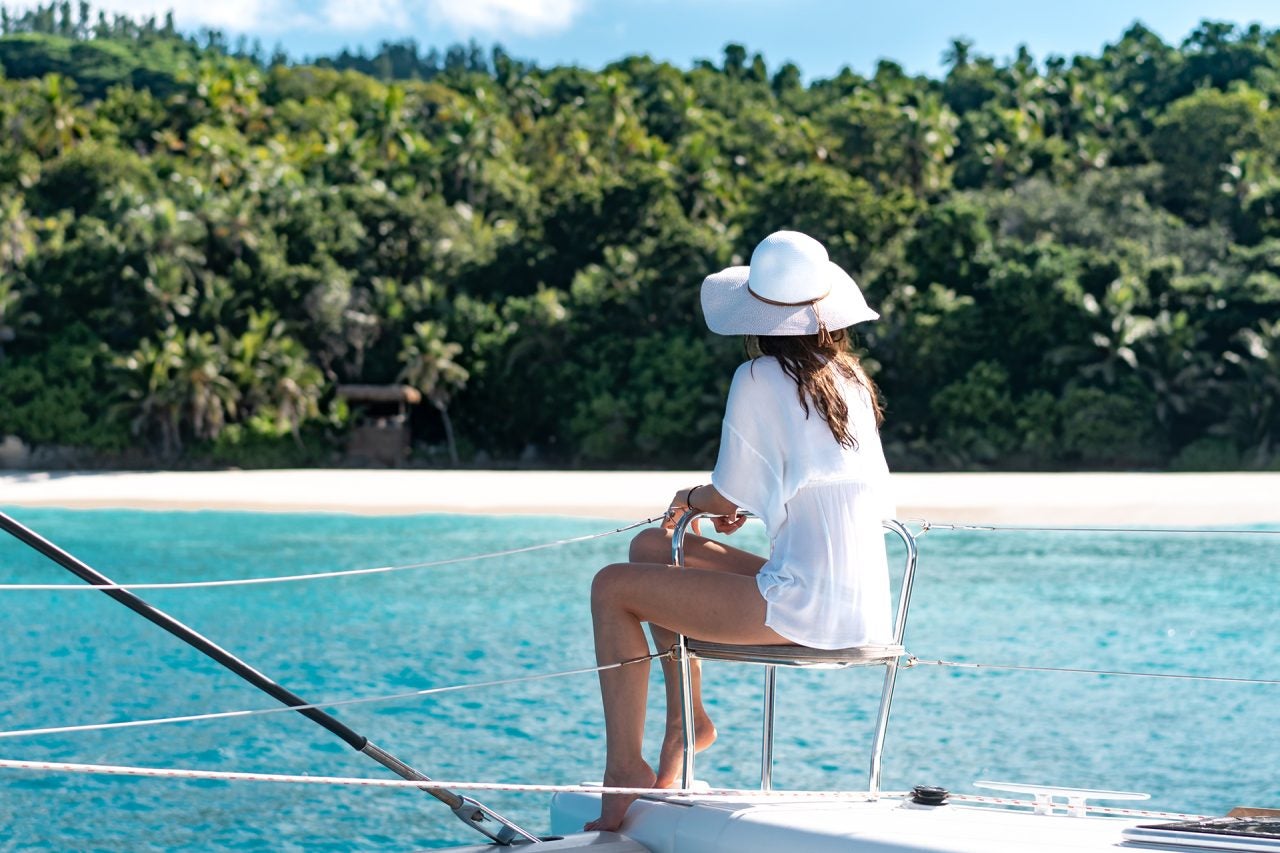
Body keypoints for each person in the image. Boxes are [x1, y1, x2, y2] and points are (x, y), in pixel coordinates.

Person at [585, 230, 895, 832]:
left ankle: (624, 774)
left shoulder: (758, 377)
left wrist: (692, 499)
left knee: (610, 588)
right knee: (650, 548)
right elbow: (807, 484)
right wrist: (733, 504)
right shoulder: (847, 380)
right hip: (862, 602)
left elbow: (726, 494)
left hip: (804, 606)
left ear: (756, 312)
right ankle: (688, 726)